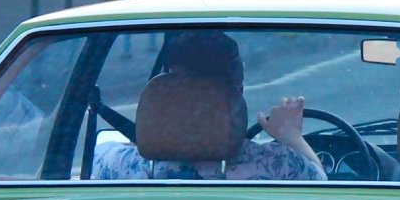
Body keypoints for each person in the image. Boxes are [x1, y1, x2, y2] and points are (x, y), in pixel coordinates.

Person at [91, 30, 326, 181]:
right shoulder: (277, 165)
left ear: (166, 91)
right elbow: (322, 188)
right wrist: (290, 135)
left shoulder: (117, 165)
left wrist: (154, 133)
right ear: (237, 91)